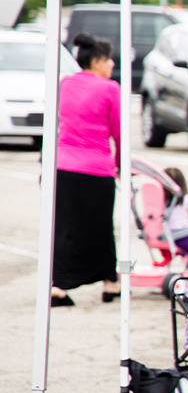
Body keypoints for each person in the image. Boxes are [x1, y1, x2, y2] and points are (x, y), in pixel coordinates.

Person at [51, 32, 121, 307]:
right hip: (96, 169)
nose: (112, 64)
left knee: (66, 228)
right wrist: (121, 165)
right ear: (98, 61)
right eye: (110, 59)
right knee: (101, 227)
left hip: (63, 166)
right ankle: (110, 282)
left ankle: (59, 285)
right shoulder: (109, 88)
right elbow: (117, 131)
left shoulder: (65, 83)